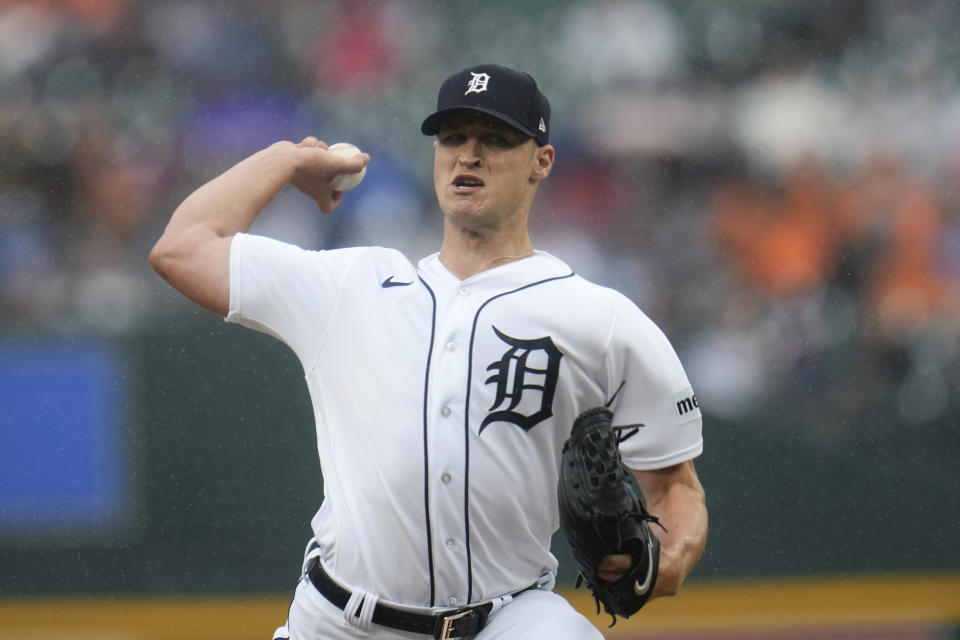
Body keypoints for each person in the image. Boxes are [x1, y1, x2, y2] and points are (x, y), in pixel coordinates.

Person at [150, 64, 707, 640]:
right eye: (453, 137)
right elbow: (182, 249)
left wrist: (660, 563)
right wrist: (288, 159)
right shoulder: (350, 286)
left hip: (508, 617)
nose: (468, 154)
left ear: (542, 161)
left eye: (495, 138)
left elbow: (676, 488)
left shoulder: (601, 320)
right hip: (341, 621)